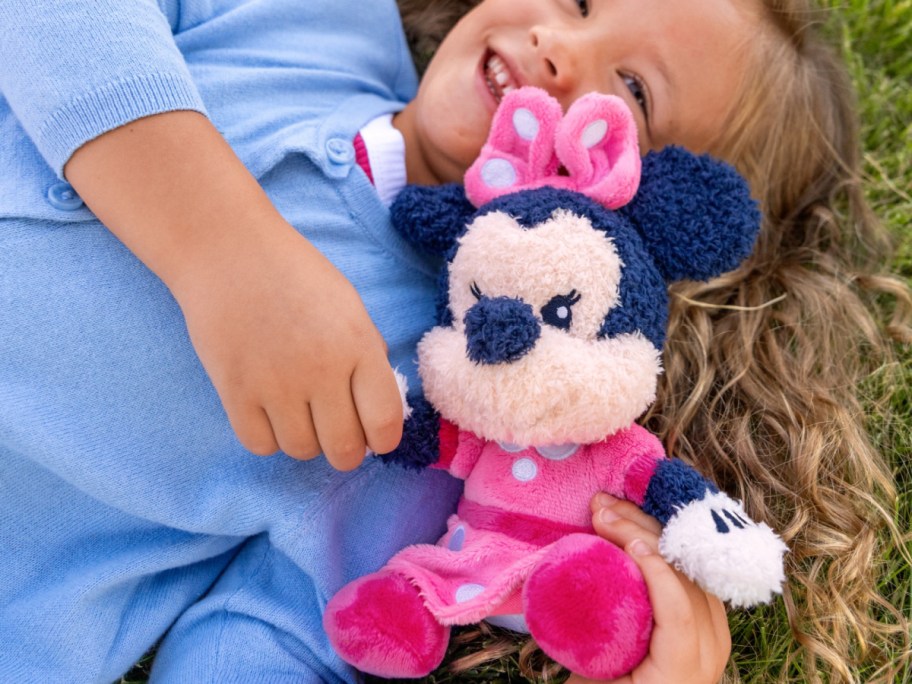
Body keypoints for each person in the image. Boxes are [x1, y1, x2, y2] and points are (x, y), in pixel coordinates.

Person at [0, 0, 906, 682]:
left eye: (631, 89)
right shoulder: (316, 23)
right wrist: (223, 249)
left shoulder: (442, 413)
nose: (559, 40)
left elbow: (270, 634)